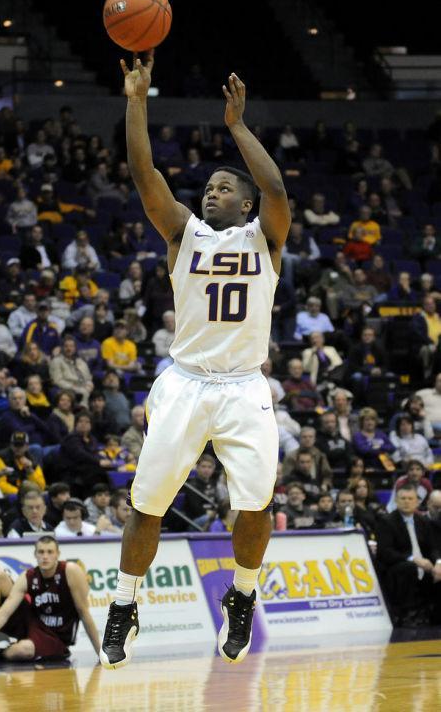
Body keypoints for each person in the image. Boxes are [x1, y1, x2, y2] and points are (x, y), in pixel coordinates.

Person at [100, 53, 291, 670]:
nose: (212, 190)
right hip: (184, 382)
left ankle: (242, 593)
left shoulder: (267, 237)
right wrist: (137, 98)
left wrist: (237, 126)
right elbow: (143, 171)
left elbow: (278, 189)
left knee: (257, 502)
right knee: (147, 505)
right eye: (208, 186)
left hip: (243, 387)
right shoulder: (182, 233)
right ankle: (125, 604)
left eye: (224, 187)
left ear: (244, 206)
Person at [0, 535, 100, 662]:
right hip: (34, 624)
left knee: (22, 650)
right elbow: (4, 613)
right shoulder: (28, 576)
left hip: (57, 636)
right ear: (35, 554)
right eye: (41, 552)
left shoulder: (70, 571)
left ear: (57, 554)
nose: (45, 556)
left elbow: (84, 612)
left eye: (50, 552)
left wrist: (100, 652)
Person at [376, 484, 441, 627]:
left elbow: (434, 548)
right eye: (403, 498)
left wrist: (438, 563)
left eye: (410, 498)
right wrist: (414, 560)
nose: (406, 501)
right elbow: (385, 552)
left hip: (424, 565)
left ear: (417, 501)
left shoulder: (424, 521)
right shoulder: (386, 521)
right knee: (409, 568)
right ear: (396, 501)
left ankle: (435, 616)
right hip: (397, 566)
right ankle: (408, 616)